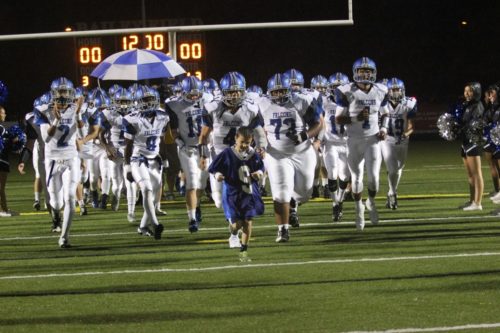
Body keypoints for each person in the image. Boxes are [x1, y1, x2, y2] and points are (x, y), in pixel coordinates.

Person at [198, 71, 266, 247]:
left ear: (242, 91)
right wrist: (203, 155)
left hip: (243, 159)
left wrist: (262, 148)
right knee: (219, 201)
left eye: (237, 91)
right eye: (230, 91)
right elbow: (204, 135)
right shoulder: (212, 107)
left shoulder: (250, 108)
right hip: (221, 157)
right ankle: (233, 225)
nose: (234, 95)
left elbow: (259, 131)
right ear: (223, 92)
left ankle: (235, 231)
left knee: (241, 196)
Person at [258, 73, 322, 242]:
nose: (278, 95)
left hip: (302, 152)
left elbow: (318, 124)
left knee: (304, 193)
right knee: (280, 193)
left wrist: (306, 135)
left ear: (289, 90)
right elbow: (255, 126)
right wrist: (259, 143)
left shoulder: (301, 100)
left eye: (282, 91)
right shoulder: (262, 103)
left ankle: (293, 204)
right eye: (275, 91)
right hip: (276, 154)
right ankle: (282, 229)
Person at [335, 57, 390, 231]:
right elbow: (338, 118)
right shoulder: (346, 91)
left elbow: (386, 113)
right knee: (357, 177)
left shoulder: (381, 89)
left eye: (368, 71)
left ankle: (371, 202)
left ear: (373, 73)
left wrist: (384, 129)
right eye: (362, 71)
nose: (365, 74)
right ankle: (358, 209)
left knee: (374, 179)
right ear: (355, 73)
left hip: (373, 139)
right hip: (354, 140)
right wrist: (355, 118)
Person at [38, 77, 84, 247]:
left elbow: (82, 132)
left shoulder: (76, 108)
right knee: (56, 202)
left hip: (71, 157)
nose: (64, 96)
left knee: (70, 198)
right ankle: (56, 214)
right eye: (61, 92)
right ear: (54, 93)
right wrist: (56, 120)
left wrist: (78, 114)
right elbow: (47, 137)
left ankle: (64, 237)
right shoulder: (44, 110)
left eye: (67, 92)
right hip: (52, 160)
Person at [208, 126, 265, 261]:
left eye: (248, 142)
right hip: (232, 193)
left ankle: (243, 252)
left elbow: (261, 167)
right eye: (242, 142)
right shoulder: (227, 153)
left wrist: (259, 173)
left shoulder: (253, 154)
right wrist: (218, 175)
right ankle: (233, 232)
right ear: (236, 139)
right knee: (237, 224)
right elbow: (213, 168)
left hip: (249, 192)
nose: (245, 145)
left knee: (248, 221)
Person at [165, 76, 211, 233]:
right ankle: (191, 218)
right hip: (188, 149)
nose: (193, 97)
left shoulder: (208, 101)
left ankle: (197, 206)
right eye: (190, 94)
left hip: (205, 148)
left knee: (202, 184)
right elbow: (173, 130)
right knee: (192, 183)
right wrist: (180, 143)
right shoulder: (175, 104)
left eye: (196, 94)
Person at [123, 85, 168, 240]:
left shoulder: (163, 116)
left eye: (151, 99)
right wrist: (127, 167)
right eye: (145, 99)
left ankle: (143, 226)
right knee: (147, 190)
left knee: (155, 197)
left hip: (155, 159)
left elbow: (161, 140)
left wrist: (165, 156)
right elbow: (128, 146)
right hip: (138, 159)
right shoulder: (132, 119)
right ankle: (155, 224)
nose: (148, 103)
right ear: (138, 101)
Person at [380, 78, 417, 210]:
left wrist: (405, 135)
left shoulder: (409, 103)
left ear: (402, 90)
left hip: (403, 140)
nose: (395, 92)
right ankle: (392, 194)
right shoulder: (382, 103)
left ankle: (391, 191)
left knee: (399, 167)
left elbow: (412, 126)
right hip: (387, 139)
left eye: (398, 89)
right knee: (393, 168)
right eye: (393, 89)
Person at [320, 72, 351, 222]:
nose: (337, 89)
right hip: (330, 142)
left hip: (347, 143)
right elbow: (318, 121)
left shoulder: (353, 101)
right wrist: (319, 138)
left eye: (340, 87)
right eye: (334, 87)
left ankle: (339, 201)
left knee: (345, 176)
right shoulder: (323, 101)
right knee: (332, 174)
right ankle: (335, 204)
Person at [456, 82, 485, 211]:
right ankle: (472, 200)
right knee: (470, 174)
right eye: (465, 91)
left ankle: (478, 203)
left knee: (476, 173)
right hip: (465, 142)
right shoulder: (467, 106)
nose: (466, 93)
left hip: (474, 142)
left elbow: (475, 124)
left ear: (476, 92)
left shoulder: (478, 106)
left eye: (470, 91)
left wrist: (462, 127)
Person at [0, 107, 30, 217]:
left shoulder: (2, 128)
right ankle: (3, 211)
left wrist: (14, 142)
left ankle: (4, 208)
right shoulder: (1, 129)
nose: (5, 115)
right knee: (0, 187)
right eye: (2, 113)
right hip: (1, 160)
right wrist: (13, 141)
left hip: (3, 159)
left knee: (1, 188)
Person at [484, 85, 500, 203]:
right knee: (492, 166)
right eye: (488, 94)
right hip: (489, 140)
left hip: (498, 140)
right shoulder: (489, 108)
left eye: (492, 93)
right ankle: (497, 190)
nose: (490, 96)